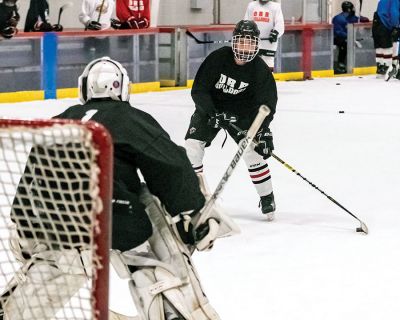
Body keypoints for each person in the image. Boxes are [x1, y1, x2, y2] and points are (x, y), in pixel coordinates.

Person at [0, 56, 232, 320]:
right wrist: (191, 213)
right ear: (123, 88)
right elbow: (171, 167)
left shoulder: (59, 121)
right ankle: (171, 306)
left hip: (53, 225)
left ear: (84, 89)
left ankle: (14, 311)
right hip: (114, 220)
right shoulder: (129, 117)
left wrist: (26, 233)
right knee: (147, 205)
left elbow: (31, 184)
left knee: (57, 259)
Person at [184, 20, 278, 221]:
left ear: (256, 45)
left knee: (253, 153)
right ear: (234, 41)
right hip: (211, 110)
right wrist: (211, 112)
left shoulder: (259, 70)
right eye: (242, 42)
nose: (246, 47)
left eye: (250, 43)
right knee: (192, 147)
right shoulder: (218, 59)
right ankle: (196, 195)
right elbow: (199, 90)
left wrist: (263, 132)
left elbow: (267, 104)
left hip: (241, 115)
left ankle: (267, 197)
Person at [244, 0, 284, 71]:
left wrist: (276, 33)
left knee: (268, 67)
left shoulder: (276, 6)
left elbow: (280, 24)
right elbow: (246, 21)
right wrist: (246, 33)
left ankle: (268, 82)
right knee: (252, 66)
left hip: (269, 44)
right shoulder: (251, 5)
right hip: (253, 42)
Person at [332, 1, 362, 74]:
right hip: (338, 39)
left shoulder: (352, 17)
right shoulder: (338, 18)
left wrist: (363, 19)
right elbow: (338, 32)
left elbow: (359, 19)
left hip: (348, 37)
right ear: (349, 9)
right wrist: (350, 37)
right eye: (352, 8)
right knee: (344, 43)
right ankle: (340, 64)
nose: (353, 10)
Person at [372, 0, 400, 77]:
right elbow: (394, 12)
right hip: (385, 23)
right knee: (388, 46)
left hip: (376, 21)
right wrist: (395, 26)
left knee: (379, 46)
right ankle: (387, 68)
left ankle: (380, 68)